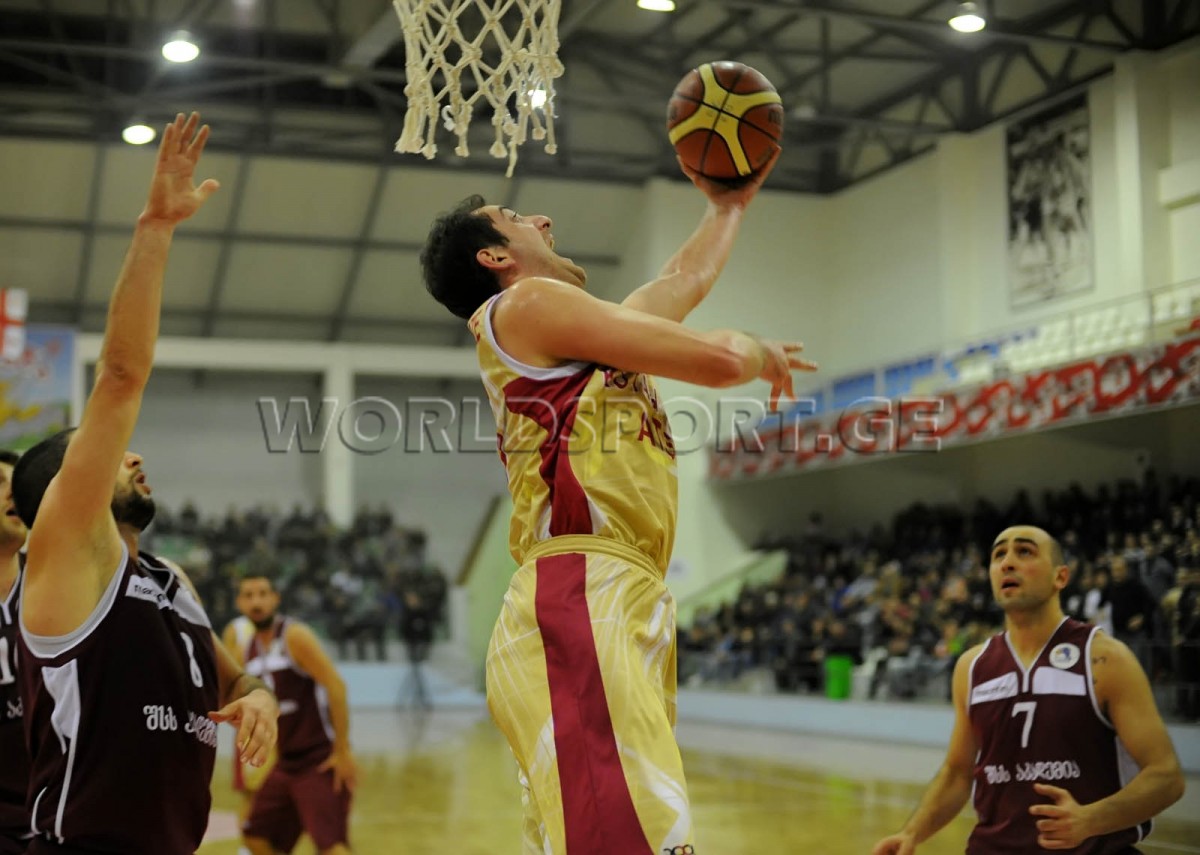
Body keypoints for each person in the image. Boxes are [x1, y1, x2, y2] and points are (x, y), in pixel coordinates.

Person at [420, 149, 816, 853]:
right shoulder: (524, 305)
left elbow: (681, 280)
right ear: (495, 258)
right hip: (580, 589)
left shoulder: (584, 343)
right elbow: (722, 361)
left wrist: (728, 207)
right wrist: (755, 351)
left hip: (617, 594)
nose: (544, 219)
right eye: (518, 218)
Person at [11, 112, 279, 855]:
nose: (130, 455)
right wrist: (156, 228)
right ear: (63, 489)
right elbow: (122, 377)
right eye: (103, 454)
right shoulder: (66, 553)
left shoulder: (170, 581)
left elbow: (237, 683)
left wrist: (260, 700)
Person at [872, 525, 1185, 855]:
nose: (1007, 562)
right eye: (998, 555)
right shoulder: (971, 666)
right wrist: (911, 833)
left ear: (1060, 577)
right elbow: (957, 773)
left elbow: (1166, 777)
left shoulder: (1105, 658)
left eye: (1024, 552)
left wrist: (1090, 820)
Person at [234, 572, 357, 855]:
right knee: (254, 836)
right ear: (239, 603)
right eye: (249, 595)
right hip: (285, 763)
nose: (256, 602)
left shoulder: (294, 636)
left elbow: (336, 687)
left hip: (318, 760)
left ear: (275, 599)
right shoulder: (247, 649)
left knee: (331, 848)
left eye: (263, 594)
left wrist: (342, 750)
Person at [223, 613, 279, 844]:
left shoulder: (287, 630)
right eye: (249, 596)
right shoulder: (236, 630)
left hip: (284, 725)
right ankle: (247, 848)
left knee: (281, 794)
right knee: (253, 794)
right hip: (254, 723)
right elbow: (230, 676)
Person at [0, 450, 30, 854]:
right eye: (0, 483)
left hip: (62, 820)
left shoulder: (64, 583)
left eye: (17, 483)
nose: (13, 491)